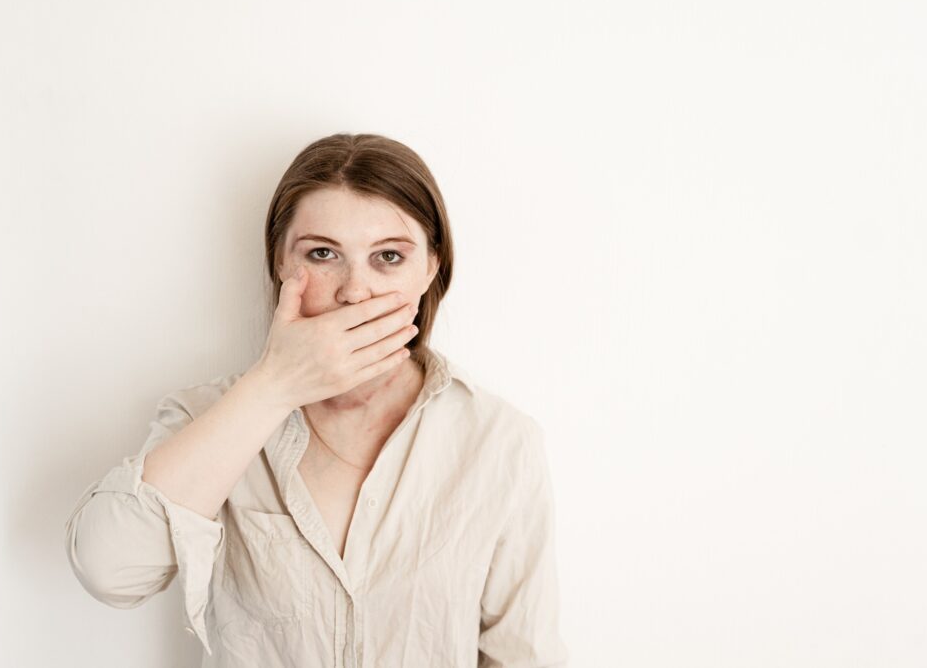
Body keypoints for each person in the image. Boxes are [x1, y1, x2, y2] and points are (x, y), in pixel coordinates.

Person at [64, 132, 569, 667]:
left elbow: (524, 656)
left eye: (389, 257)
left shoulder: (499, 440)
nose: (355, 291)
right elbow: (111, 572)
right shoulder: (205, 418)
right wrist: (275, 384)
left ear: (430, 268)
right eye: (323, 254)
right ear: (281, 263)